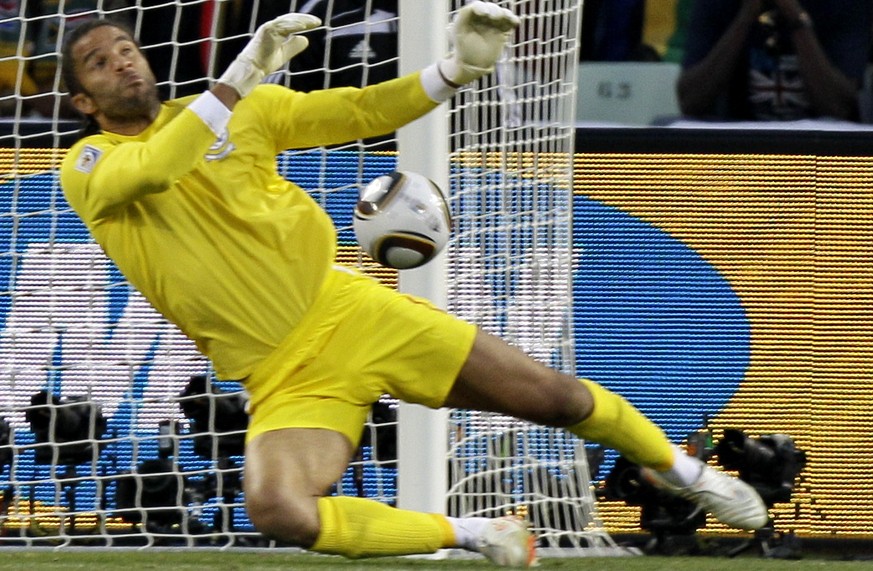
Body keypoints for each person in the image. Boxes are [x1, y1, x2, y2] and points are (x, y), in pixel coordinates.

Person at [58, 3, 768, 566]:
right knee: (281, 510)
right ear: (83, 101)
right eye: (98, 62)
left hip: (351, 312)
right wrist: (237, 76)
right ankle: (472, 532)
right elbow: (154, 168)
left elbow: (362, 110)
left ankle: (686, 473)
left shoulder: (245, 112)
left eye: (125, 47)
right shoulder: (87, 163)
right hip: (281, 374)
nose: (120, 61)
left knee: (555, 398)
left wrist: (454, 71)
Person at [678, 0, 872, 121]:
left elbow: (838, 107)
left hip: (822, 156)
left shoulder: (847, 4)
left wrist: (796, 18)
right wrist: (745, 17)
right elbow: (690, 102)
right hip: (741, 153)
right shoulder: (716, 4)